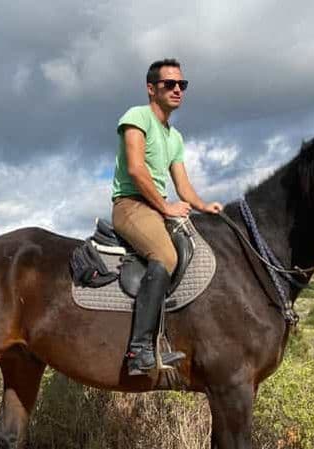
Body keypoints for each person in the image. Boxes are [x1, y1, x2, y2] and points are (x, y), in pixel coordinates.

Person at [111, 58, 222, 376]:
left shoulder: (174, 137)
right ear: (151, 88)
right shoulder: (137, 116)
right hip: (131, 205)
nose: (177, 89)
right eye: (169, 84)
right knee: (165, 256)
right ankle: (140, 351)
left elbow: (183, 185)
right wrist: (165, 206)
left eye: (182, 85)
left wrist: (203, 206)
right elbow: (135, 168)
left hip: (155, 207)